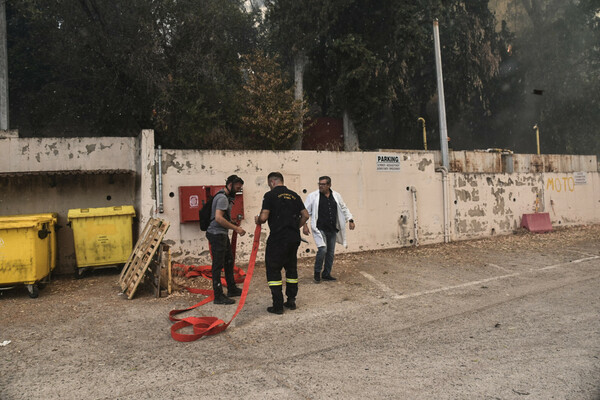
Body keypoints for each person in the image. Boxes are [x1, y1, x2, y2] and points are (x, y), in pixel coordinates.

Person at [255, 172, 309, 315]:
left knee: (273, 271)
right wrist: (294, 227)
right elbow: (305, 215)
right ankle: (291, 301)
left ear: (272, 182)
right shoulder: (294, 195)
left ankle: (277, 306)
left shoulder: (270, 195)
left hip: (278, 239)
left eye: (269, 184)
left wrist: (258, 220)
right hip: (293, 239)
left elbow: (264, 217)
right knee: (291, 270)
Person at [302, 176, 355, 282]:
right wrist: (304, 225)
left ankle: (326, 274)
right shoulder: (313, 196)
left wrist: (350, 219)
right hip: (319, 228)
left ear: (329, 185)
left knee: (330, 252)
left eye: (323, 184)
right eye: (319, 184)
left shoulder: (336, 195)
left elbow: (343, 207)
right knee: (322, 249)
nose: (321, 186)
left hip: (332, 228)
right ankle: (317, 273)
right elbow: (305, 211)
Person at [206, 174, 247, 304]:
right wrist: (236, 228)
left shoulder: (225, 197)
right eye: (237, 187)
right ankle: (218, 296)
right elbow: (218, 218)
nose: (238, 190)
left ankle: (232, 288)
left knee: (229, 261)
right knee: (218, 265)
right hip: (217, 234)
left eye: (240, 188)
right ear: (230, 185)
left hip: (221, 234)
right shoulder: (223, 198)